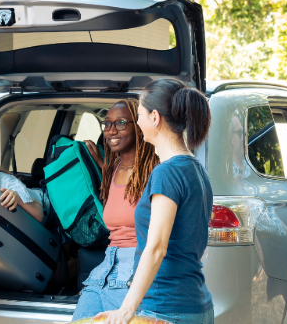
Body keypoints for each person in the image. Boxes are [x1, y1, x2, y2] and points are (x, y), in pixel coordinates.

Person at [98, 79, 214, 324]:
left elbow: (156, 248)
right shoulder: (196, 169)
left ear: (154, 118)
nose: (137, 122)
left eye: (139, 114)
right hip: (195, 304)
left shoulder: (167, 172)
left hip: (165, 307)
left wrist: (127, 309)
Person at [72, 99, 159, 321]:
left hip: (134, 271)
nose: (111, 130)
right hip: (105, 269)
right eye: (107, 123)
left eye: (121, 123)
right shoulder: (114, 168)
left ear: (138, 125)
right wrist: (101, 163)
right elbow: (122, 195)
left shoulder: (156, 170)